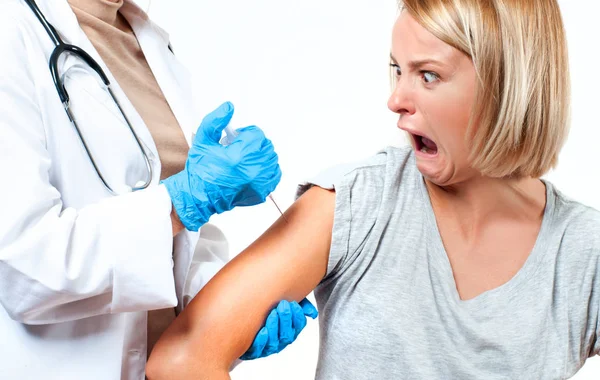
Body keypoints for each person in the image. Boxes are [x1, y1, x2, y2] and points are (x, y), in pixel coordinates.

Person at [146, 0, 600, 379]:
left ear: (509, 88)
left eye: (428, 75)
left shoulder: (583, 252)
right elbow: (181, 361)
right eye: (397, 70)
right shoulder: (361, 203)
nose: (396, 99)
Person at [0, 0, 318, 379]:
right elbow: (23, 266)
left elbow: (181, 246)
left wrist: (231, 318)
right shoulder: (12, 33)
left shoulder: (148, 39)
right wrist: (182, 201)